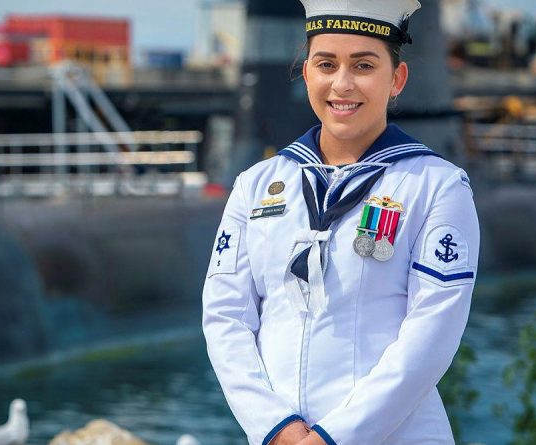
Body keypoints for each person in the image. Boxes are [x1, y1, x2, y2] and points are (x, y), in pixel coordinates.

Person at [201, 1, 480, 445]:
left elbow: (432, 333)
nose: (342, 83)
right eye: (326, 64)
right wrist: (274, 426)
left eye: (364, 65)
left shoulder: (436, 187)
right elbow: (225, 316)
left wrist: (333, 437)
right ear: (307, 73)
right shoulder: (255, 185)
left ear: (397, 80)